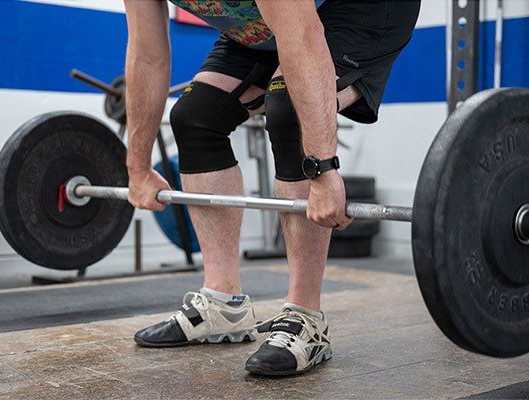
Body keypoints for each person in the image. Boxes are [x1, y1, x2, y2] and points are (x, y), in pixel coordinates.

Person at [124, 0, 420, 376]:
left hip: (360, 9)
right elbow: (147, 55)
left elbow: (304, 35)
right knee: (195, 118)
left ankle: (305, 318)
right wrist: (137, 167)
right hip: (265, 27)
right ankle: (222, 303)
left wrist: (324, 170)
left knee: (290, 109)